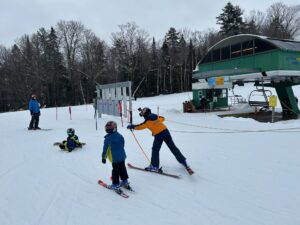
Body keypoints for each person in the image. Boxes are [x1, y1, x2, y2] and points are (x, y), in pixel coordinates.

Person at [127, 107, 194, 175]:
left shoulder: (147, 122)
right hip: (166, 132)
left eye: (143, 115)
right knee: (173, 148)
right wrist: (154, 119)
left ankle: (154, 166)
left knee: (155, 149)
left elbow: (139, 126)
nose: (143, 116)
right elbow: (163, 118)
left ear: (145, 115)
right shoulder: (156, 117)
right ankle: (183, 161)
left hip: (158, 135)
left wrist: (132, 126)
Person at [102, 121, 131, 190]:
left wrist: (104, 157)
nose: (107, 130)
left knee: (115, 171)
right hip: (122, 156)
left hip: (114, 158)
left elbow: (105, 150)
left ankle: (115, 184)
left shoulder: (107, 139)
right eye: (107, 128)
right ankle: (125, 181)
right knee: (122, 168)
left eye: (108, 129)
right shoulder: (120, 136)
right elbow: (123, 144)